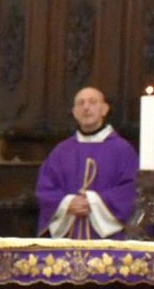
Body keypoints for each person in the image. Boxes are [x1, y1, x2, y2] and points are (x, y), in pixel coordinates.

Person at [35, 86, 138, 239]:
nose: (86, 107)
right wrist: (67, 204)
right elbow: (45, 188)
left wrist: (93, 202)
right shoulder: (61, 151)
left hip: (109, 239)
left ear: (104, 109)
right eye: (80, 103)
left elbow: (131, 189)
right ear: (75, 112)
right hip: (69, 237)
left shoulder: (122, 149)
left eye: (92, 102)